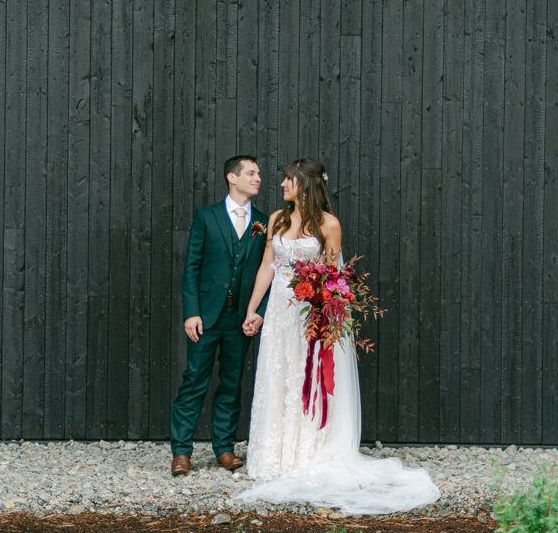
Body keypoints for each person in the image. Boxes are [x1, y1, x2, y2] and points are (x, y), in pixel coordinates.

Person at [237, 158, 440, 514]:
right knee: (278, 376)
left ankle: (310, 452)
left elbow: (334, 277)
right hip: (280, 314)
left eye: (288, 179)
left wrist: (325, 313)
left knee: (307, 377)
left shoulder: (329, 225)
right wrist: (253, 309)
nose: (282, 184)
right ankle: (275, 455)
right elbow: (268, 265)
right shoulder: (276, 220)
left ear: (305, 184)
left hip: (310, 316)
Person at [169, 156, 270, 477]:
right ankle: (181, 452)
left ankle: (224, 449)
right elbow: (192, 268)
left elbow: (270, 273)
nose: (258, 178)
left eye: (258, 174)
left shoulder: (264, 222)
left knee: (231, 382)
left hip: (240, 319)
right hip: (207, 317)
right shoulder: (207, 217)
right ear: (232, 177)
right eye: (251, 173)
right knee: (194, 380)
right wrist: (191, 313)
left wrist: (260, 314)